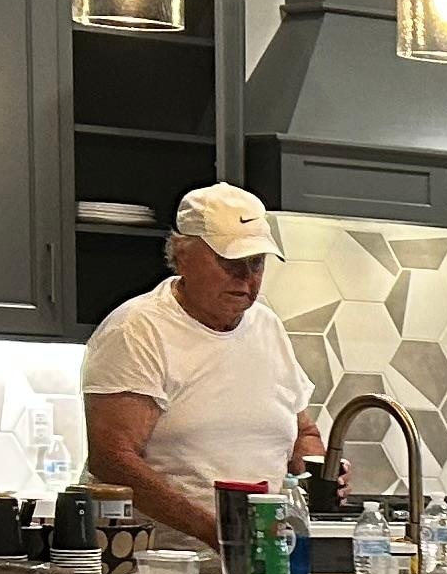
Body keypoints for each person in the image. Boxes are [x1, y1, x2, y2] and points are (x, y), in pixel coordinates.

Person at [77, 184, 321, 549]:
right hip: (155, 563)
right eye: (230, 262)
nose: (246, 277)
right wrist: (217, 532)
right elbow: (112, 460)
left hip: (255, 555)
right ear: (182, 256)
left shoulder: (267, 326)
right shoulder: (136, 329)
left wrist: (318, 469)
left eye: (256, 263)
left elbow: (304, 433)